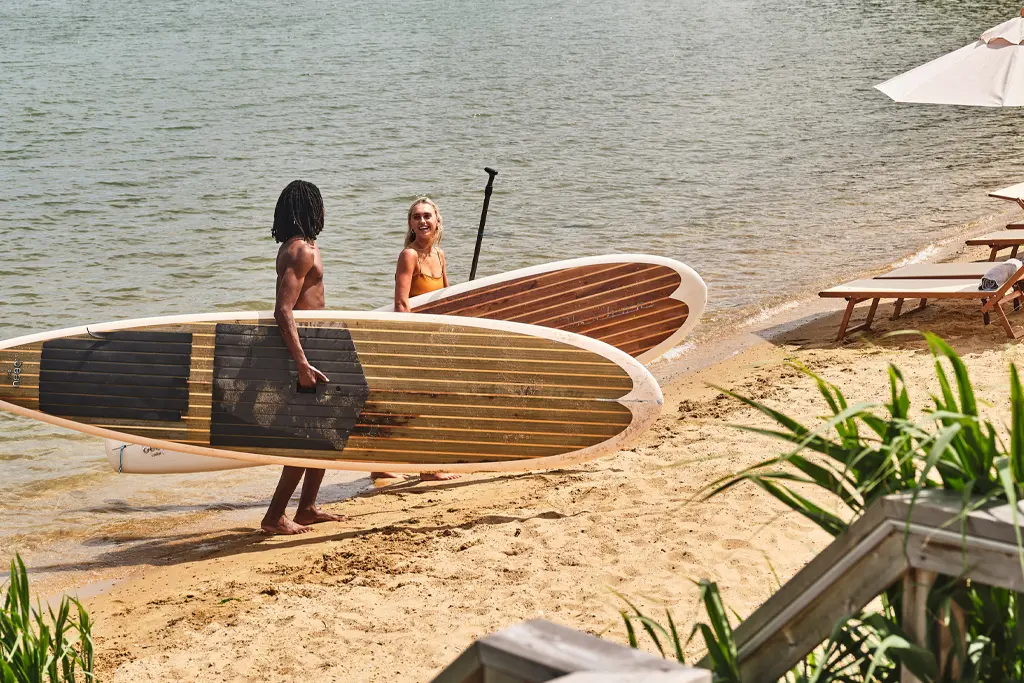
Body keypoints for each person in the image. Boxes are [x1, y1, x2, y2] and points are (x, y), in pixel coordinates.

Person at [260, 180, 346, 535]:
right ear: (310, 210)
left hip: (314, 346)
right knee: (307, 437)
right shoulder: (300, 251)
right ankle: (274, 516)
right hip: (304, 352)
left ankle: (307, 507)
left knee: (326, 431)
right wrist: (301, 363)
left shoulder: (302, 247)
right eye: (319, 204)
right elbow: (283, 311)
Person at [370, 197, 459, 481]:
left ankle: (382, 462)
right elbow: (401, 302)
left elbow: (446, 299)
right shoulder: (409, 255)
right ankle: (423, 468)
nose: (422, 221)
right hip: (415, 337)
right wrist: (414, 343)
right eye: (416, 217)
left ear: (437, 221)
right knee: (419, 398)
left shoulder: (440, 256)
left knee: (418, 399)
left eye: (427, 216)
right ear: (410, 223)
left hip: (434, 337)